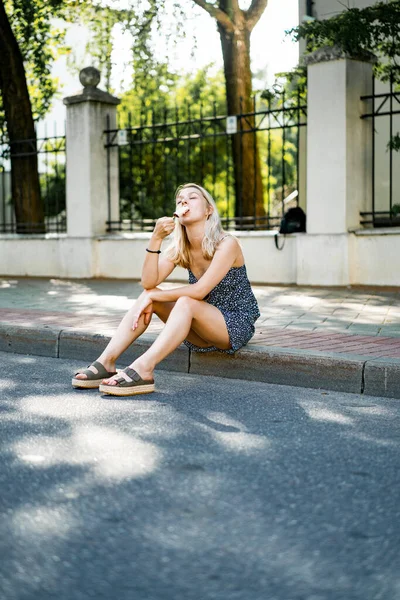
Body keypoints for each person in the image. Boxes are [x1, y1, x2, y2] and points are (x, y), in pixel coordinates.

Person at [72, 183, 260, 396]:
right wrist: (156, 238)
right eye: (180, 199)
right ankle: (106, 362)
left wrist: (154, 293)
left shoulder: (227, 243)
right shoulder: (181, 247)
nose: (184, 201)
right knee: (150, 297)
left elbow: (199, 291)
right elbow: (148, 282)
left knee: (184, 301)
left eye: (192, 197)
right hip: (199, 329)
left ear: (209, 210)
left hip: (233, 326)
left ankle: (144, 368)